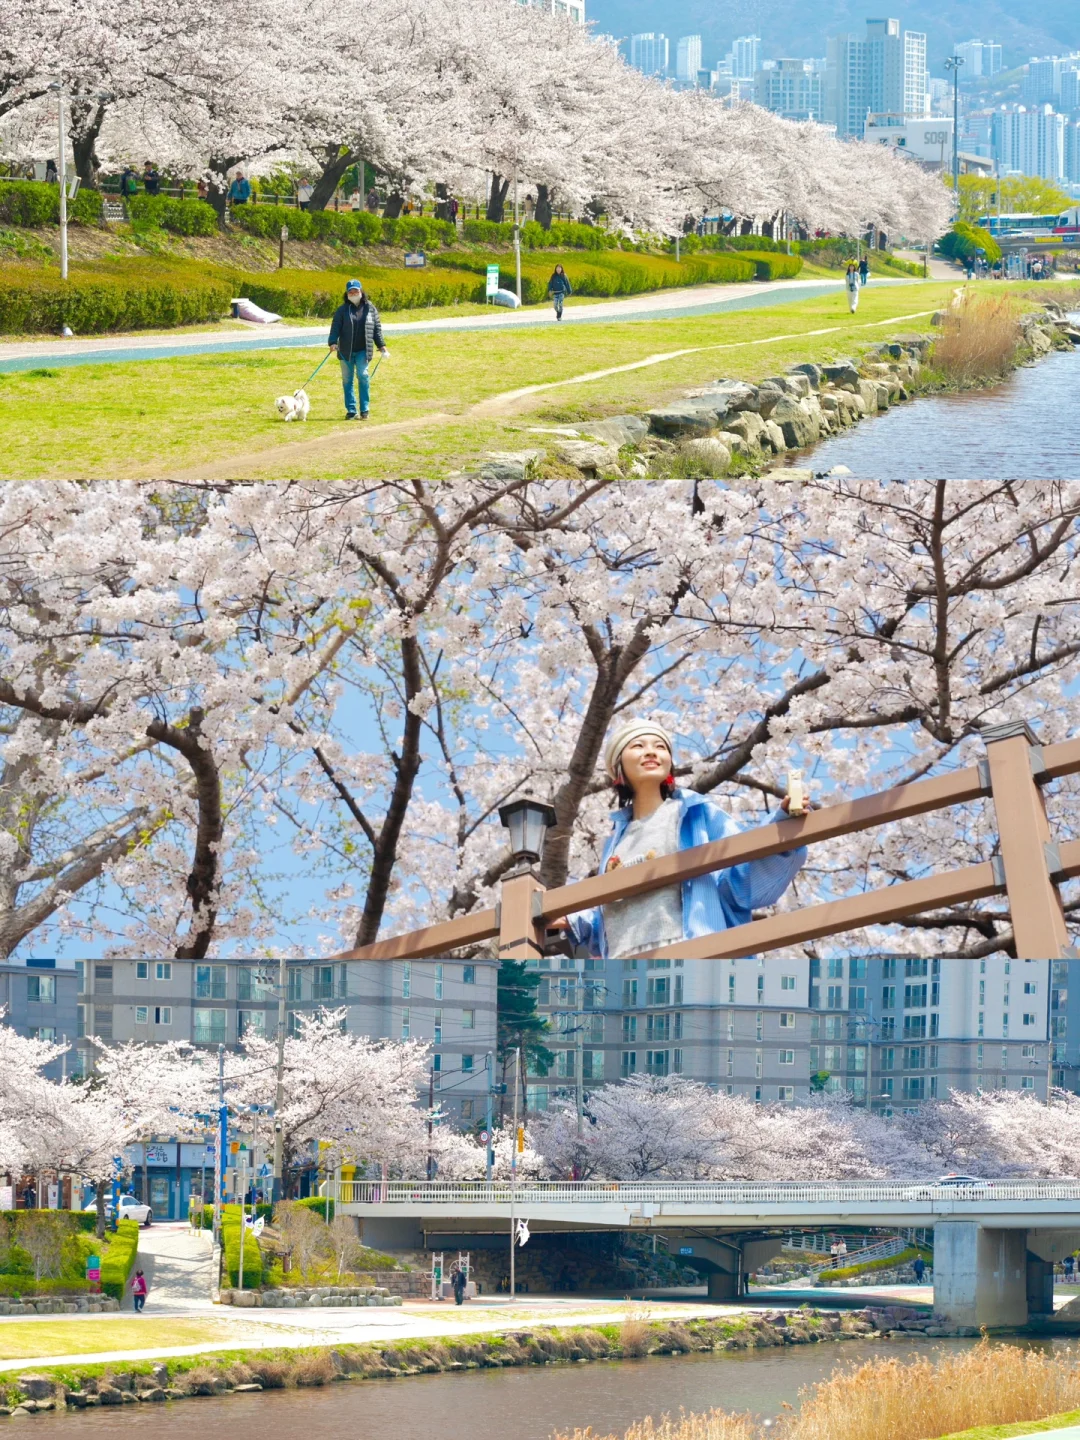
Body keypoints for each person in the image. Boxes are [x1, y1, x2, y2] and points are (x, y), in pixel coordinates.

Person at [552, 721, 806, 961]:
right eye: (638, 746)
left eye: (660, 747)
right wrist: (570, 918)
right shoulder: (614, 841)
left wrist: (780, 825)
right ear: (619, 766)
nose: (651, 752)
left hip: (684, 950)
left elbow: (741, 867)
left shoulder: (695, 812)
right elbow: (610, 914)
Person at [327, 279, 390, 420]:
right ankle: (351, 410)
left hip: (363, 350)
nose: (354, 293)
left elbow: (376, 329)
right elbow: (335, 327)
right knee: (347, 380)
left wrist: (382, 345)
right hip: (345, 351)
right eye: (351, 291)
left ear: (361, 291)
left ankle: (364, 410)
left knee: (363, 376)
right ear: (347, 293)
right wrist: (332, 342)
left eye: (356, 290)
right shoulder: (342, 310)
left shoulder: (370, 308)